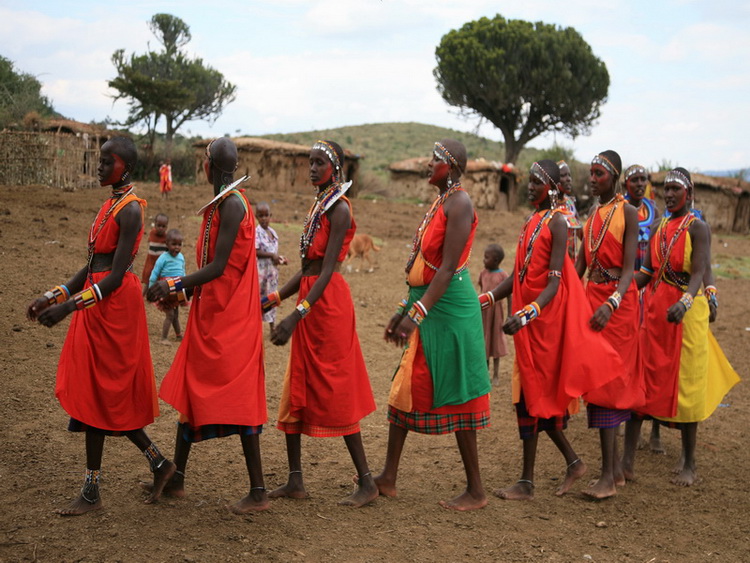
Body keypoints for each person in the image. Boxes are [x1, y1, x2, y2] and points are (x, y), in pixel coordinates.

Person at [27, 136, 175, 515]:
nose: (99, 166)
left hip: (114, 308)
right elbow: (92, 266)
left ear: (123, 166)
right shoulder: (108, 205)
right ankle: (158, 464)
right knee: (98, 393)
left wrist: (68, 308)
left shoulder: (131, 211)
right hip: (96, 303)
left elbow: (113, 277)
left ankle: (94, 491)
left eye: (106, 161)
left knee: (105, 393)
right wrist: (53, 296)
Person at [482, 160, 622, 501]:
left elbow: (555, 281)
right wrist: (485, 298)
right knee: (527, 398)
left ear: (552, 187)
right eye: (527, 182)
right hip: (527, 326)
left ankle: (534, 479)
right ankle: (561, 466)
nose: (529, 187)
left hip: (545, 324)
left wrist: (528, 313)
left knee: (535, 397)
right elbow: (518, 275)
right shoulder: (531, 220)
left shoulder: (559, 223)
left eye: (535, 182)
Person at [147, 137, 268, 514]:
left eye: (203, 159)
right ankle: (178, 478)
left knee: (240, 398)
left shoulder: (233, 204)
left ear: (209, 166)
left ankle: (259, 491)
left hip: (231, 318)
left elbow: (217, 267)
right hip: (212, 309)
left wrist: (174, 284)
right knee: (191, 386)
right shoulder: (222, 203)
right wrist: (186, 294)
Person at [375, 139, 490, 511]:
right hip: (430, 305)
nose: (428, 164)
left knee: (459, 392)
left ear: (452, 167)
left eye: (435, 160)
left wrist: (415, 316)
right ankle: (388, 477)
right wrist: (402, 309)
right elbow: (423, 266)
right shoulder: (442, 202)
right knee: (405, 383)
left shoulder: (460, 203)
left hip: (451, 311)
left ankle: (476, 490)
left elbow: (446, 269)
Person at [262, 140, 378, 508]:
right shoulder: (320, 204)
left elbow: (327, 271)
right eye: (309, 162)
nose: (312, 168)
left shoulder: (339, 208)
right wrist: (274, 299)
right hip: (310, 298)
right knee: (296, 383)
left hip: (327, 307)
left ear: (337, 168)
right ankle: (295, 480)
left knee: (336, 389)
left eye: (319, 163)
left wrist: (298, 314)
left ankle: (366, 481)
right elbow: (307, 269)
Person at [633, 168, 739, 486]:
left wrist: (687, 302)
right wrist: (619, 291)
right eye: (665, 189)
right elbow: (647, 271)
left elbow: (699, 273)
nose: (668, 194)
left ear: (688, 193)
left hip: (688, 313)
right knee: (655, 375)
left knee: (689, 384)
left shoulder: (698, 228)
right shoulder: (660, 226)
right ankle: (653, 435)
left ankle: (689, 460)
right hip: (658, 311)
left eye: (675, 189)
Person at [575, 150, 644, 499]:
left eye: (599, 173)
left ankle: (606, 476)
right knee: (597, 381)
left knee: (609, 385)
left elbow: (630, 268)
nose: (592, 178)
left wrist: (612, 302)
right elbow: (578, 268)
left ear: (613, 178)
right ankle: (614, 472)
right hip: (592, 301)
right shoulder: (591, 216)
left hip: (619, 305)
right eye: (590, 172)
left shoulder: (628, 212)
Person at [620, 164, 664, 459]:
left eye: (643, 179)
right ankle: (627, 415)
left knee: (651, 358)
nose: (639, 184)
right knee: (627, 355)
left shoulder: (655, 212)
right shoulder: (620, 210)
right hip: (626, 290)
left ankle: (655, 428)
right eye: (634, 179)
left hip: (651, 291)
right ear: (625, 183)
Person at [477, 243, 509, 387]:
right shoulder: (483, 273)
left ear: (496, 260)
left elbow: (509, 294)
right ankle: (485, 373)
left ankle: (495, 374)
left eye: (486, 257)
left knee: (495, 341)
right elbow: (481, 290)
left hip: (496, 313)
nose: (483, 260)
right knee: (484, 342)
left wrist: (510, 312)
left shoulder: (503, 276)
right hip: (484, 312)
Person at [149, 228, 187, 344]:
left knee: (175, 314)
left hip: (178, 288)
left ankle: (179, 335)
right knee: (170, 314)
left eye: (179, 244)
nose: (177, 247)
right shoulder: (163, 258)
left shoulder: (181, 257)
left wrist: (185, 286)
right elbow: (155, 273)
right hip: (167, 289)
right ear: (167, 244)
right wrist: (152, 288)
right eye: (173, 244)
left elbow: (183, 272)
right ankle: (164, 338)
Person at [255, 202, 286, 331]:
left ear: (270, 216)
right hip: (261, 273)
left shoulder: (273, 233)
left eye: (266, 215)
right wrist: (271, 255)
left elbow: (274, 253)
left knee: (272, 297)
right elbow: (255, 251)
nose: (264, 218)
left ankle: (272, 326)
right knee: (259, 299)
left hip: (272, 273)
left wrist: (279, 259)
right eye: (261, 216)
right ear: (256, 217)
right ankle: (256, 326)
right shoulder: (257, 232)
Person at [557, 160, 583, 261]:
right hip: (556, 264)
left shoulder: (570, 203)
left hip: (572, 263)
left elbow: (581, 233)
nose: (568, 179)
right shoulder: (549, 205)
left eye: (569, 175)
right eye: (563, 175)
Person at [140, 213, 169, 293]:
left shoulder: (167, 237)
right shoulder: (152, 233)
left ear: (167, 227)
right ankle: (144, 294)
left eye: (163, 226)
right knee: (148, 277)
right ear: (155, 225)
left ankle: (156, 294)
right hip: (151, 261)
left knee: (160, 279)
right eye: (159, 225)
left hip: (161, 263)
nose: (161, 228)